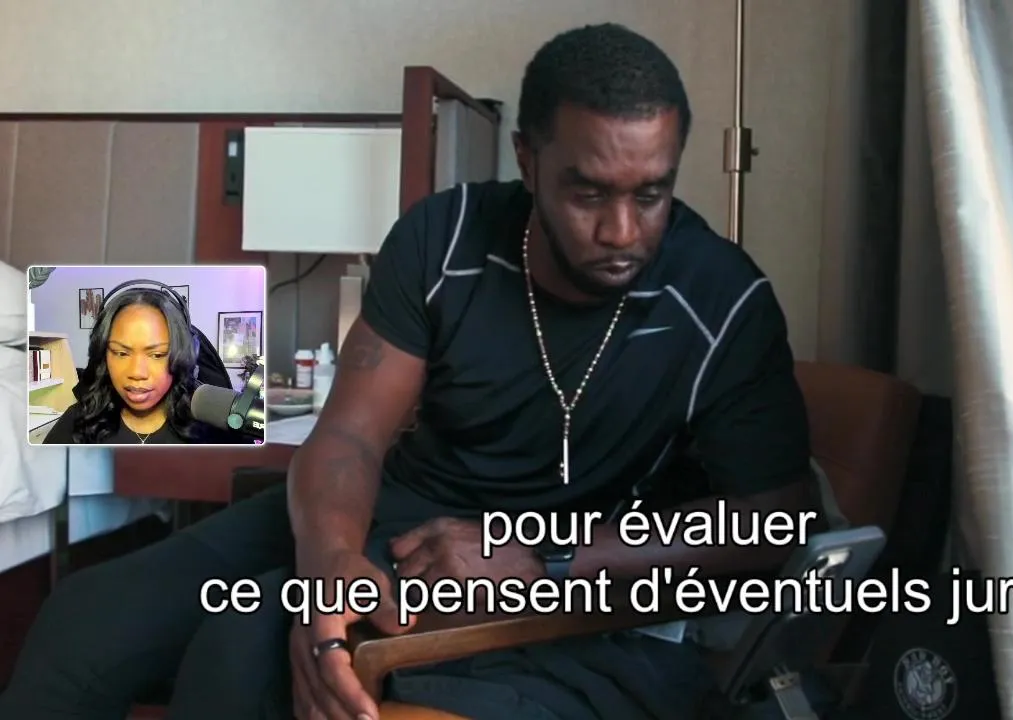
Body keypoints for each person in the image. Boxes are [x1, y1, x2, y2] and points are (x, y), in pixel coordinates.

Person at [0, 22, 818, 720]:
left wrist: (546, 560)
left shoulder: (723, 299)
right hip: (389, 511)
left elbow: (775, 521)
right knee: (85, 619)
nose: (622, 232)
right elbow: (350, 436)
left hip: (561, 556)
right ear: (528, 160)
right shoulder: (444, 239)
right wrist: (329, 565)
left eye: (652, 194)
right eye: (589, 193)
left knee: (242, 647)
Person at [41, 287, 208, 445]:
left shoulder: (208, 431)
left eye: (157, 355)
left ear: (184, 357)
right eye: (121, 353)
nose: (137, 372)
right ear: (103, 356)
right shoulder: (75, 423)